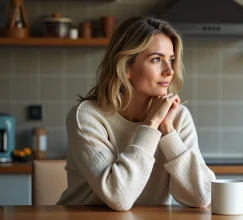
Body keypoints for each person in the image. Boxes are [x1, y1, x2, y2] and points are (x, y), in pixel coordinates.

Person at [56, 16, 216, 211]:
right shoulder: (87, 116)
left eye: (171, 60)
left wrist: (167, 130)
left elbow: (201, 197)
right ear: (125, 68)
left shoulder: (178, 116)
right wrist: (151, 125)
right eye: (156, 59)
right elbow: (118, 197)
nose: (169, 71)